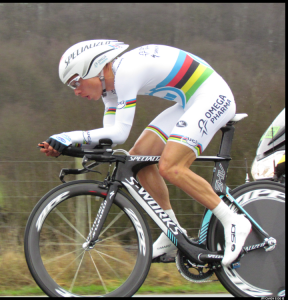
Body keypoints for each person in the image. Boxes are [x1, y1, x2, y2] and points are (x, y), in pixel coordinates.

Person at [39, 39, 251, 267]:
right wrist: (67, 147)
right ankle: (172, 234)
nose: (76, 92)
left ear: (95, 69)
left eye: (75, 83)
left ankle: (233, 221)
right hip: (188, 103)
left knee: (171, 166)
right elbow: (108, 139)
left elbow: (119, 132)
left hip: (212, 97)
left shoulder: (126, 72)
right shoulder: (110, 91)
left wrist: (69, 136)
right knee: (138, 160)